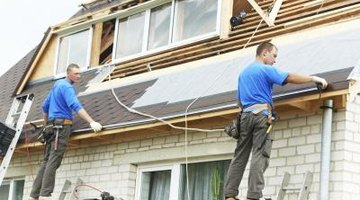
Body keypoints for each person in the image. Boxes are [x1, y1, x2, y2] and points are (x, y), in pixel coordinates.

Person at [224, 42, 327, 200]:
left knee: (240, 155)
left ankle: (230, 195)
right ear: (264, 53)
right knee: (260, 153)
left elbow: (239, 102)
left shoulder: (243, 73)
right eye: (274, 55)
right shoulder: (265, 69)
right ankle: (253, 196)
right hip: (261, 116)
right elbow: (289, 77)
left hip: (244, 116)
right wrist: (314, 78)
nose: (275, 60)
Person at [29, 64, 103, 200]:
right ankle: (45, 194)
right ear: (68, 73)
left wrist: (45, 127)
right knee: (54, 159)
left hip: (52, 127)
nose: (79, 76)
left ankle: (33, 195)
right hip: (61, 127)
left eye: (79, 74)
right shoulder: (67, 87)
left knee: (46, 160)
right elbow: (75, 105)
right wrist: (91, 121)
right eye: (76, 74)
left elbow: (44, 107)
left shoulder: (57, 85)